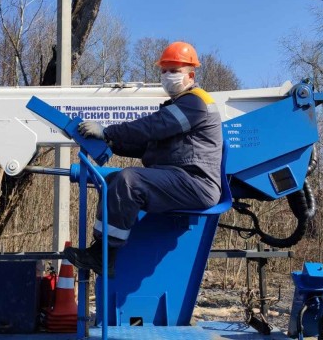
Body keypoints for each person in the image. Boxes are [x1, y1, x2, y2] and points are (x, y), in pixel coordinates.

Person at [63, 41, 223, 277]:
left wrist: (108, 131)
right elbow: (147, 144)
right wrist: (110, 142)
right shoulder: (181, 105)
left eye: (175, 71)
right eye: (164, 70)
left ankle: (104, 256)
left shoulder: (196, 102)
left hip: (197, 182)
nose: (168, 76)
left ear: (191, 74)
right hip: (180, 177)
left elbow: (151, 127)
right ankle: (101, 252)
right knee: (115, 181)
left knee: (130, 180)